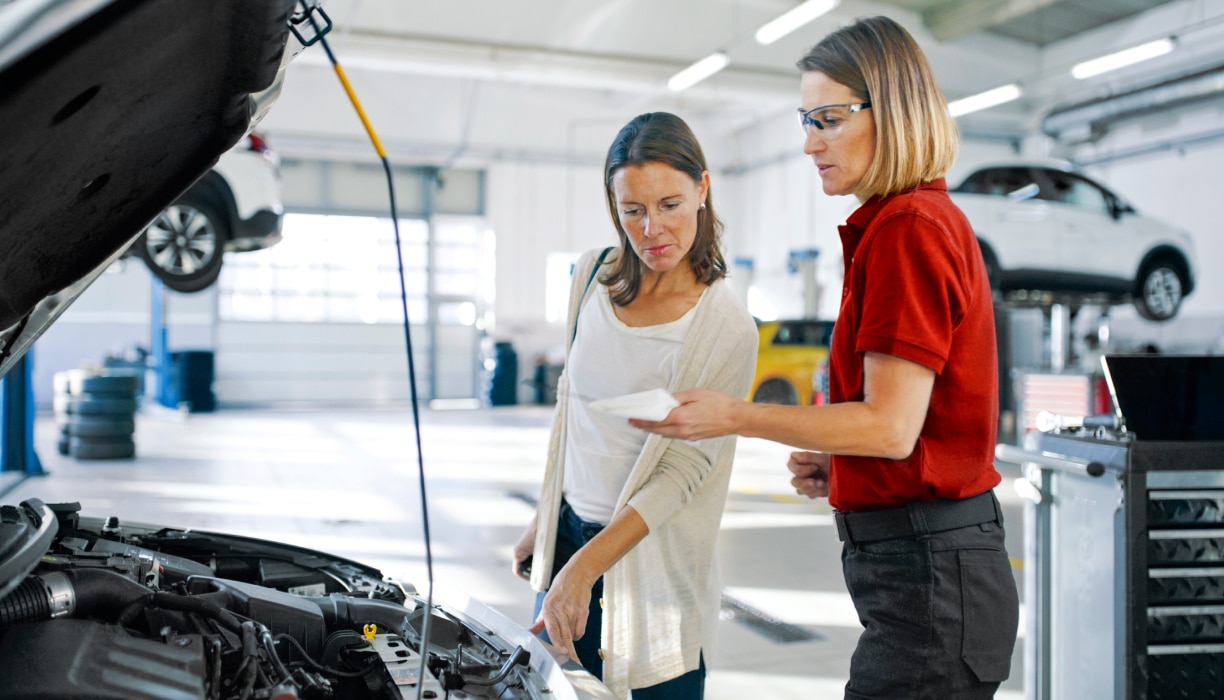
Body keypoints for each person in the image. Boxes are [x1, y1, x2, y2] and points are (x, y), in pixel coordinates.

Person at [631, 16, 1019, 700]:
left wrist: (734, 415)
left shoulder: (908, 230)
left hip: (931, 581)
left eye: (829, 119)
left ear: (892, 112)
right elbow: (908, 429)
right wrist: (843, 463)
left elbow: (889, 427)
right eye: (806, 119)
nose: (809, 142)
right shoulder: (905, 225)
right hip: (928, 573)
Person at [511, 112, 758, 699]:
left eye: (670, 204)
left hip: (652, 563)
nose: (652, 230)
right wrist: (544, 522)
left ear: (702, 189)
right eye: (632, 210)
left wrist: (585, 568)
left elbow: (680, 473)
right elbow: (575, 415)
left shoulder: (724, 326)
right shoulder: (590, 275)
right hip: (569, 542)